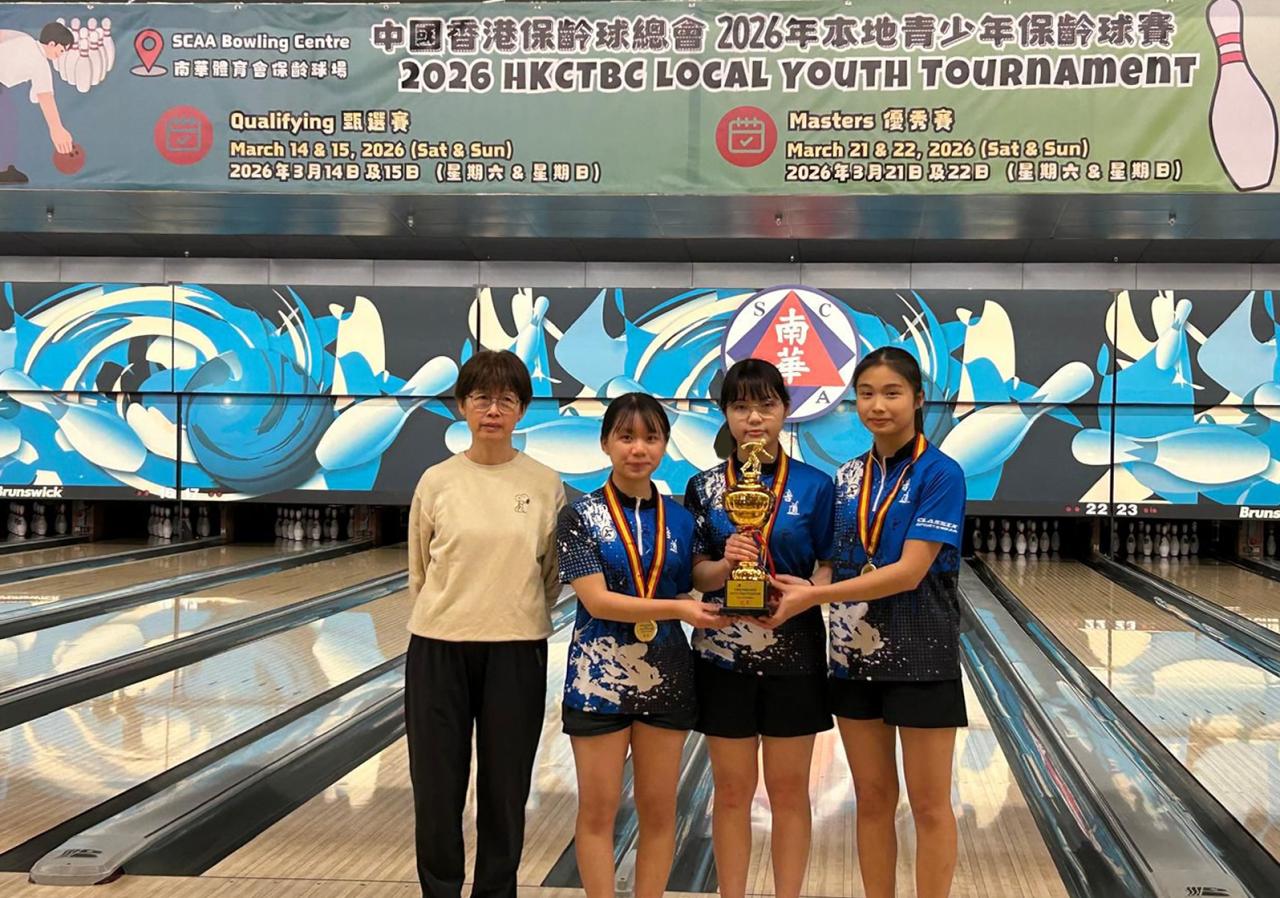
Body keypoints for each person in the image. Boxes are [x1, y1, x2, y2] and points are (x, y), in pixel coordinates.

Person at [764, 346, 968, 898]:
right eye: (867, 394)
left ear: (918, 399)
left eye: (892, 393)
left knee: (929, 805)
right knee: (873, 800)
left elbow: (909, 571)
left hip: (923, 656)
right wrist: (797, 588)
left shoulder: (940, 474)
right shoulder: (848, 476)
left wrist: (815, 598)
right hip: (853, 659)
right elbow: (834, 561)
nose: (878, 405)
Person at [405, 349, 565, 898]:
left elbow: (549, 574)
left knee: (505, 789)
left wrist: (514, 611)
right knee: (436, 788)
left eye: (506, 399)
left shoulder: (545, 482)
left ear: (521, 409)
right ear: (461, 406)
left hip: (516, 648)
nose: (492, 410)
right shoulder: (436, 481)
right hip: (438, 646)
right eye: (481, 398)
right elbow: (420, 569)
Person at [557, 392, 728, 898]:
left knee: (659, 812)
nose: (639, 449)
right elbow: (598, 602)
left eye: (651, 438)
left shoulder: (681, 518)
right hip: (597, 680)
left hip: (666, 676)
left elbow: (700, 576)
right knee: (598, 811)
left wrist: (734, 560)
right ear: (605, 442)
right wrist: (678, 608)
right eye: (626, 437)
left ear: (664, 445)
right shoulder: (579, 515)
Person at [682, 358, 835, 898]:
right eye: (741, 406)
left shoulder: (816, 487)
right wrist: (726, 563)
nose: (754, 418)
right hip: (722, 659)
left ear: (785, 410)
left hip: (796, 655)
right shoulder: (704, 487)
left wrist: (805, 594)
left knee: (789, 793)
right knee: (730, 793)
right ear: (725, 413)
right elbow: (697, 575)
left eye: (766, 405)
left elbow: (829, 564)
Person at [0, 23, 75, 184]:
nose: (61, 55)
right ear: (52, 43)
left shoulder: (24, 38)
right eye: (62, 50)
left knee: (7, 120)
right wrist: (57, 129)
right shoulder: (40, 63)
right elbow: (45, 97)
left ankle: (3, 169)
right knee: (7, 120)